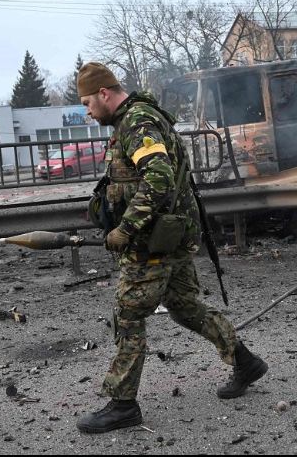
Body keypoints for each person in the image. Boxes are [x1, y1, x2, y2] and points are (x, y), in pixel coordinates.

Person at [75, 62, 268, 434]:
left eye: (87, 102)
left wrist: (125, 229)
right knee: (184, 306)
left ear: (103, 93)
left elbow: (159, 178)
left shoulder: (137, 122)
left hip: (153, 240)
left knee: (129, 314)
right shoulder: (135, 119)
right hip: (172, 234)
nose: (86, 111)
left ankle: (122, 404)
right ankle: (245, 361)